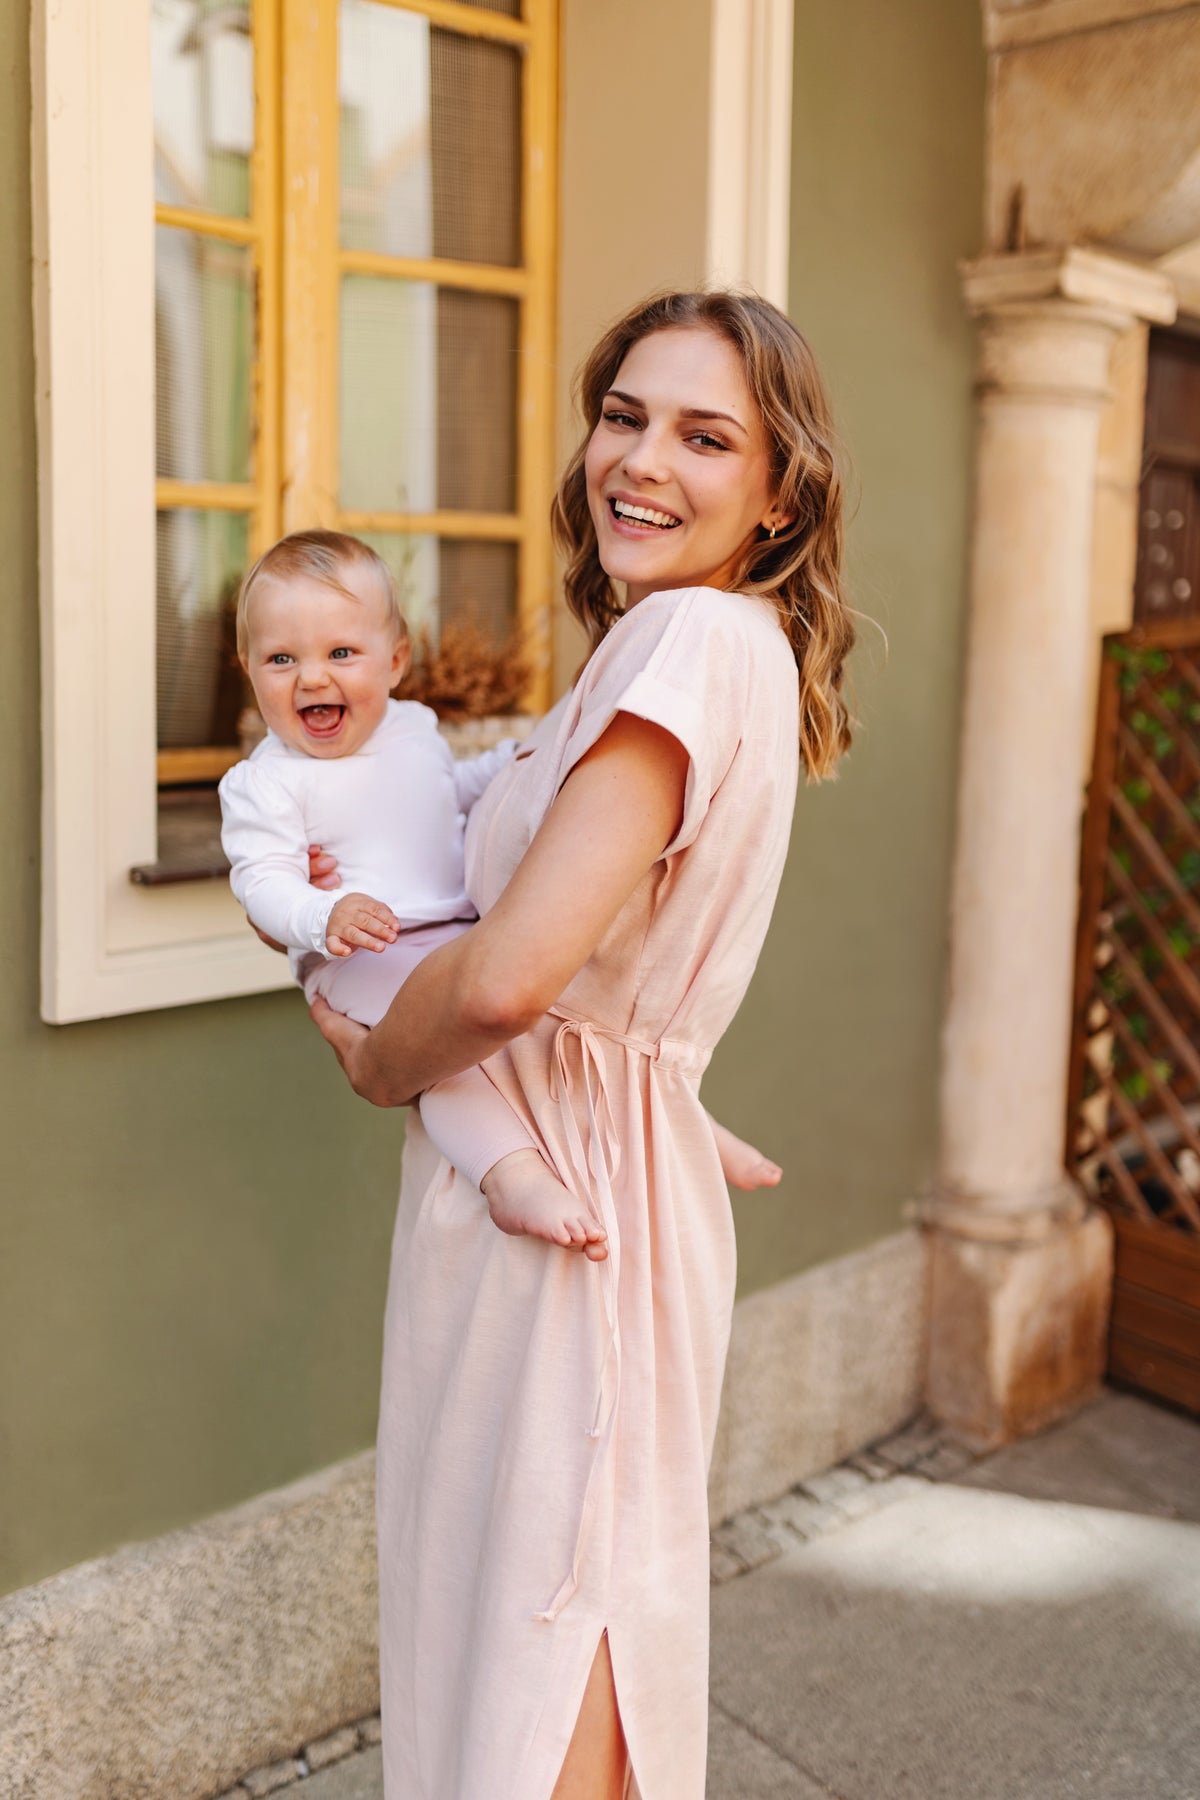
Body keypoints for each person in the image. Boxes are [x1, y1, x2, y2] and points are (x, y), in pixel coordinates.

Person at [310, 290, 854, 1800]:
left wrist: (375, 1061)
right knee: (543, 1629)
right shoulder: (703, 648)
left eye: (705, 436)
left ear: (780, 493)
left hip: (561, 1218)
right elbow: (620, 981)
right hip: (580, 1178)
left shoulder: (689, 637)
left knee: (543, 1655)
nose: (643, 461)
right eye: (624, 415)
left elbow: (509, 981)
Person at [222, 528, 782, 1256]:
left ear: (395, 662)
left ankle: (685, 1129)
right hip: (362, 957)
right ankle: (509, 1175)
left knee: (555, 1031)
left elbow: (445, 794)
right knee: (444, 1060)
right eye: (281, 659)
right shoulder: (265, 782)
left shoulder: (411, 730)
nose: (311, 679)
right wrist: (322, 912)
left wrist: (520, 765)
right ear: (248, 668)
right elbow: (260, 881)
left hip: (457, 930)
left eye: (341, 653)